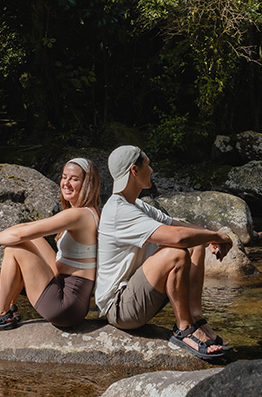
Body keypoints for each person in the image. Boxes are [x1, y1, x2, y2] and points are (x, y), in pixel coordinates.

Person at [95, 145, 232, 360]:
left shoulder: (137, 205)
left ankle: (195, 318)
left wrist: (210, 236)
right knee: (177, 254)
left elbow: (178, 225)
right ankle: (184, 328)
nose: (151, 170)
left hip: (136, 296)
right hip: (120, 308)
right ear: (134, 170)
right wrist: (219, 236)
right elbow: (178, 238)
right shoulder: (118, 210)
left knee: (195, 244)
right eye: (148, 165)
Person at [0, 158, 101, 336]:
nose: (66, 183)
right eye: (64, 177)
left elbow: (20, 236)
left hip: (65, 307)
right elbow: (25, 228)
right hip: (72, 300)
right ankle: (8, 309)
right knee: (33, 237)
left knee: (14, 248)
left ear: (87, 184)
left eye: (74, 179)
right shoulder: (89, 212)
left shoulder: (78, 215)